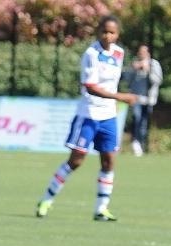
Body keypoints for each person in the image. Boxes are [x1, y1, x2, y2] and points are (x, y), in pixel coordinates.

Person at [35, 15, 137, 222]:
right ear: (98, 32)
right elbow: (90, 87)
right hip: (89, 114)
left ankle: (101, 209)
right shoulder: (91, 54)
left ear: (117, 34)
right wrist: (121, 97)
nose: (108, 35)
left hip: (109, 116)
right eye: (104, 31)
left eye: (112, 32)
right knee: (76, 160)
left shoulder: (119, 53)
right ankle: (46, 199)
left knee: (109, 161)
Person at [124, 44, 163, 156]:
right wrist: (132, 69)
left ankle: (142, 144)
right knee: (137, 118)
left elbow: (158, 80)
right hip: (136, 98)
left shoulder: (154, 64)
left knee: (144, 123)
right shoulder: (134, 63)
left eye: (143, 52)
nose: (141, 54)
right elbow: (126, 79)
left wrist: (148, 70)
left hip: (148, 99)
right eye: (139, 52)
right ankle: (135, 142)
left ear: (148, 53)